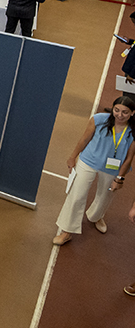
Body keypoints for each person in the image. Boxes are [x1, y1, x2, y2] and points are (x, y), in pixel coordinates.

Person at [53, 96, 135, 246]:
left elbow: (129, 159)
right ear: (113, 108)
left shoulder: (133, 131)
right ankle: (66, 231)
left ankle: (96, 216)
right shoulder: (98, 119)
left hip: (112, 169)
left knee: (105, 197)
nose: (120, 115)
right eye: (116, 110)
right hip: (88, 161)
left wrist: (119, 179)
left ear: (132, 113)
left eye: (125, 112)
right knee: (77, 195)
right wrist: (72, 157)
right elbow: (84, 139)